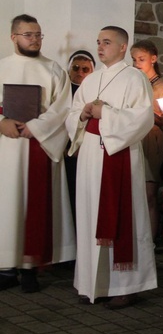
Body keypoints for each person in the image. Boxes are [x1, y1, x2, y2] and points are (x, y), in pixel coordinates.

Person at [66, 25, 156, 309]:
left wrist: (105, 112)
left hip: (119, 153)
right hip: (91, 156)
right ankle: (93, 283)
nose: (100, 47)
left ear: (122, 47)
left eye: (107, 42)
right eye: (98, 42)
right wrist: (82, 113)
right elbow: (73, 113)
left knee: (122, 216)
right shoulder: (91, 80)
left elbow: (142, 118)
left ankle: (126, 285)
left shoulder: (135, 78)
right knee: (91, 214)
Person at [0, 14, 75, 293]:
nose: (34, 39)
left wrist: (36, 127)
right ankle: (6, 267)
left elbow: (63, 109)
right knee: (7, 205)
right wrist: (2, 123)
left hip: (38, 145)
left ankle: (30, 267)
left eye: (38, 34)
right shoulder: (2, 67)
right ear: (14, 37)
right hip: (6, 149)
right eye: (28, 35)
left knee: (32, 202)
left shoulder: (53, 70)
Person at [131, 40, 163, 240]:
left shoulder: (162, 86)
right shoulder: (132, 82)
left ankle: (149, 241)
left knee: (149, 194)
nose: (137, 63)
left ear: (153, 59)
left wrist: (153, 115)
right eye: (134, 60)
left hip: (151, 139)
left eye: (141, 59)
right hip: (133, 138)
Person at [64, 49, 96, 230]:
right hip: (64, 152)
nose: (80, 73)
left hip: (89, 152)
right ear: (69, 70)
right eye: (76, 68)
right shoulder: (61, 92)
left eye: (85, 69)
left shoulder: (96, 90)